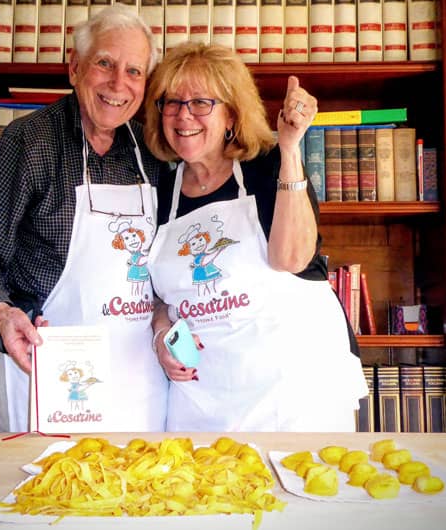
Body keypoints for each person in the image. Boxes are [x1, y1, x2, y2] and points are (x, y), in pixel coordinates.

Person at [0, 5, 169, 433]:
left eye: (134, 71)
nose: (119, 84)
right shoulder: (29, 141)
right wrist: (3, 313)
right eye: (105, 63)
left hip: (137, 382)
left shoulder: (154, 153)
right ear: (75, 68)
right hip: (46, 370)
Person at [144, 42, 368, 432]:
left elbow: (292, 258)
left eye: (201, 103)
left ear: (231, 113)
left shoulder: (267, 167)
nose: (183, 115)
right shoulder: (162, 189)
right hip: (203, 398)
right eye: (172, 102)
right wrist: (162, 333)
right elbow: (161, 296)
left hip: (292, 394)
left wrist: (290, 148)